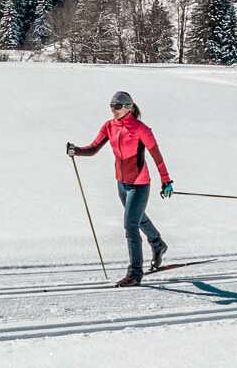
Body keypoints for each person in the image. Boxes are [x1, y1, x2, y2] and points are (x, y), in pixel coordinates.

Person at [67, 90, 174, 286]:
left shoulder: (141, 129)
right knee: (138, 218)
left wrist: (166, 181)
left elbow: (156, 155)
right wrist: (77, 151)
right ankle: (158, 245)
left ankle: (135, 273)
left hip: (139, 184)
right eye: (111, 106)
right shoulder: (109, 126)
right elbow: (93, 148)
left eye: (117, 106)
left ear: (128, 107)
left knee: (130, 225)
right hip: (122, 183)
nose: (113, 110)